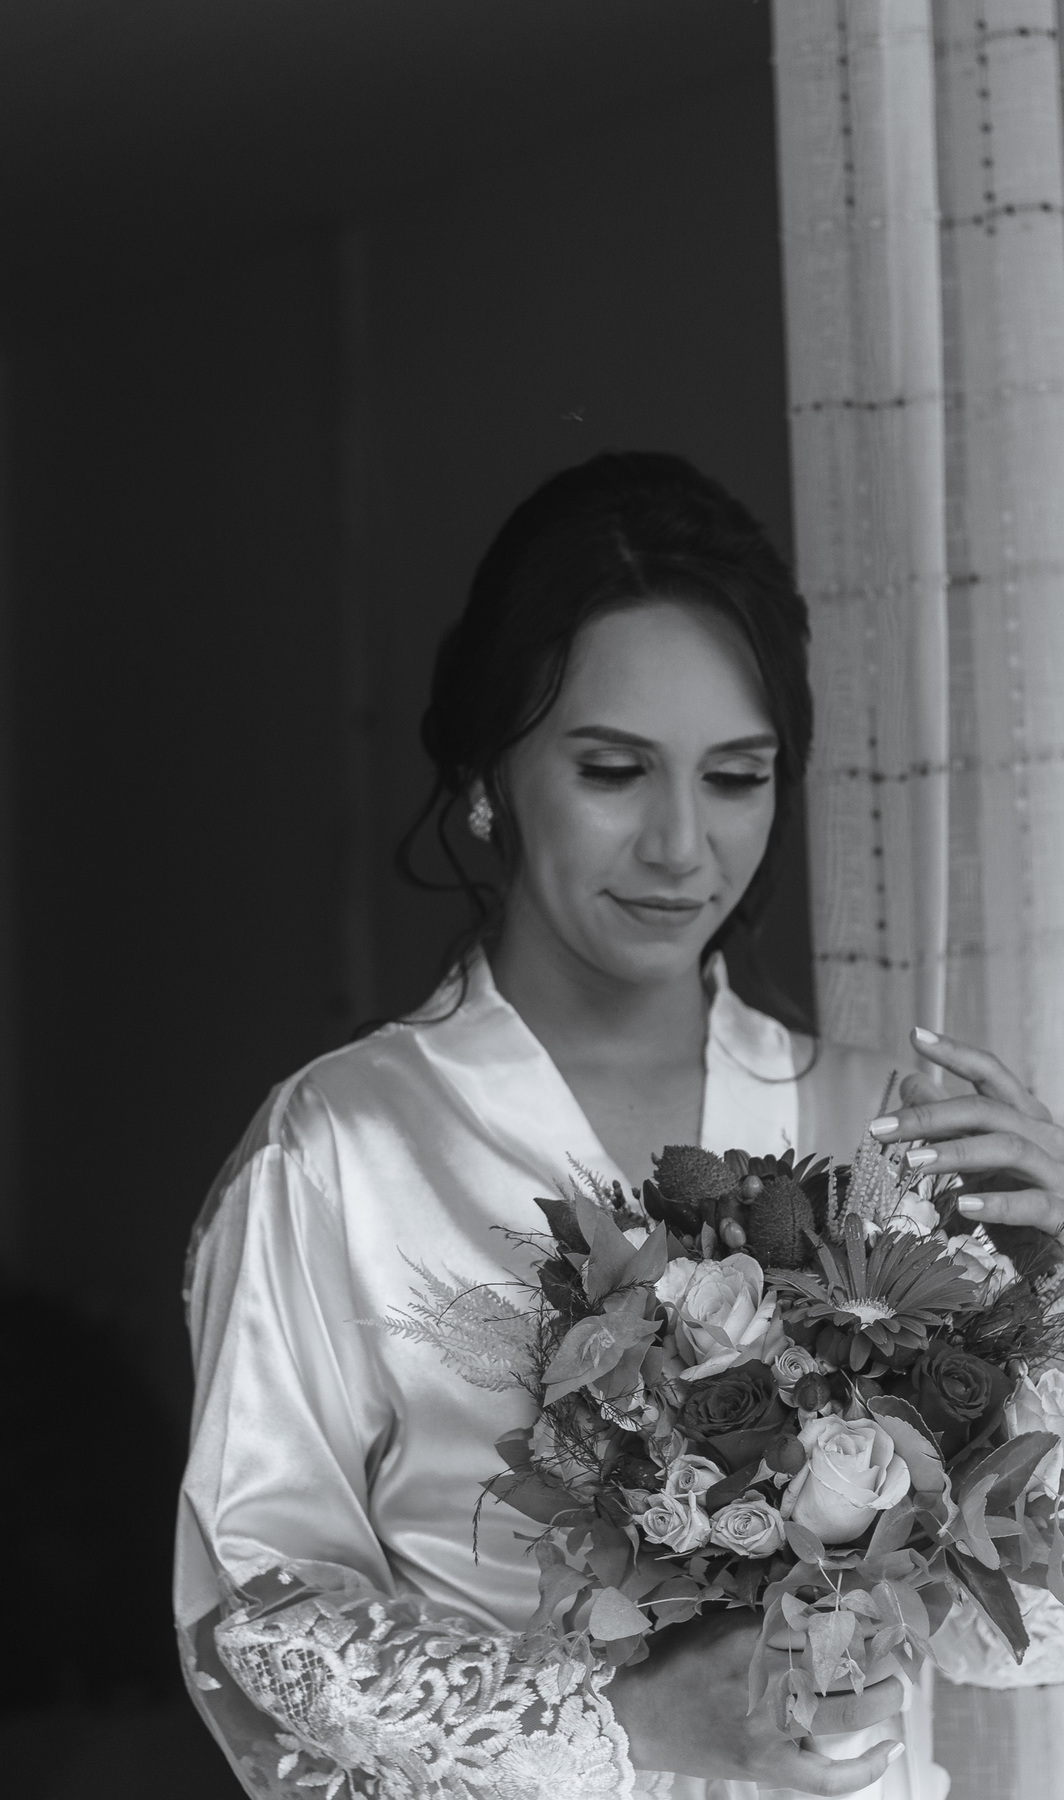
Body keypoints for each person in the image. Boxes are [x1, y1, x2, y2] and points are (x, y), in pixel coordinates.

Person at [175, 454, 1060, 1799]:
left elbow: (1018, 1634)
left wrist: (1059, 1291)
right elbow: (260, 1622)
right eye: (612, 770)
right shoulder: (343, 1150)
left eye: (736, 777)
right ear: (488, 771)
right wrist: (628, 1723)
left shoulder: (893, 1136)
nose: (681, 847)